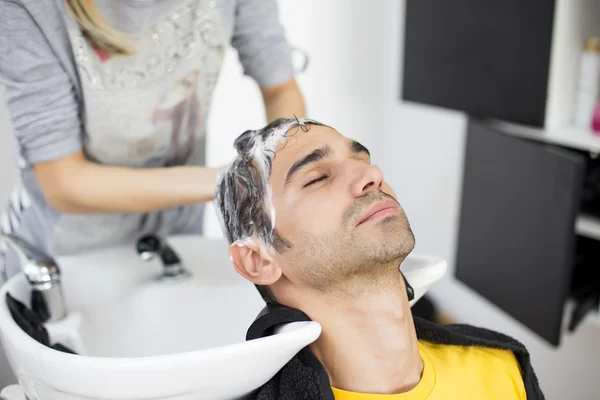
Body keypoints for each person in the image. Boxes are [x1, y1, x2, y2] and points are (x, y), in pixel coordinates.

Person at [215, 118, 545, 399]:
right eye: (317, 178)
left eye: (363, 160)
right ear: (257, 260)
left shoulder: (504, 368)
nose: (371, 175)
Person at [0, 0, 305, 284]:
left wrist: (283, 175)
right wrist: (238, 182)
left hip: (174, 246)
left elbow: (280, 90)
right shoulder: (29, 9)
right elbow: (64, 183)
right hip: (63, 265)